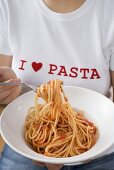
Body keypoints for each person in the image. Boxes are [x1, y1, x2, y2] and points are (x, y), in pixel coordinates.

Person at [0, 0, 114, 169]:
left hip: (100, 151)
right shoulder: (8, 4)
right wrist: (5, 90)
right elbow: (5, 90)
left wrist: (97, 141)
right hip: (25, 144)